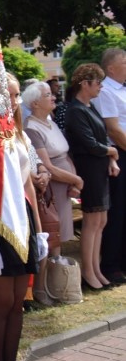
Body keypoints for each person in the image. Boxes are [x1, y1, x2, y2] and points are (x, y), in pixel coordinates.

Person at [0, 72, 46, 361]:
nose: (16, 101)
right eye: (11, 95)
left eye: (19, 95)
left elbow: (29, 180)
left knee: (18, 301)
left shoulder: (19, 133)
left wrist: (40, 228)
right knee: (1, 301)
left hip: (23, 219)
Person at [64, 63, 120, 290]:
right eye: (97, 82)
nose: (100, 87)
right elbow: (89, 143)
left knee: (102, 221)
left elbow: (104, 136)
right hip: (89, 168)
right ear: (85, 84)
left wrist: (112, 157)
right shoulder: (76, 110)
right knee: (92, 221)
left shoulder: (89, 107)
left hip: (100, 168)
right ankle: (88, 272)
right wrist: (111, 151)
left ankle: (95, 268)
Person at [23, 81, 83, 256]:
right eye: (48, 94)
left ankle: (57, 273)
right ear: (35, 103)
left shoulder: (51, 122)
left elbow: (64, 153)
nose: (54, 97)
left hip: (65, 186)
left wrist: (73, 181)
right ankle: (52, 278)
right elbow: (46, 165)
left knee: (61, 235)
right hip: (53, 188)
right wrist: (76, 180)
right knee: (54, 234)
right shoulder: (31, 128)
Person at [92, 48, 126, 284]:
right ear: (111, 68)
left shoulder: (122, 89)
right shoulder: (106, 91)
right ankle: (112, 264)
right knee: (117, 212)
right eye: (125, 62)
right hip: (119, 154)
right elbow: (113, 128)